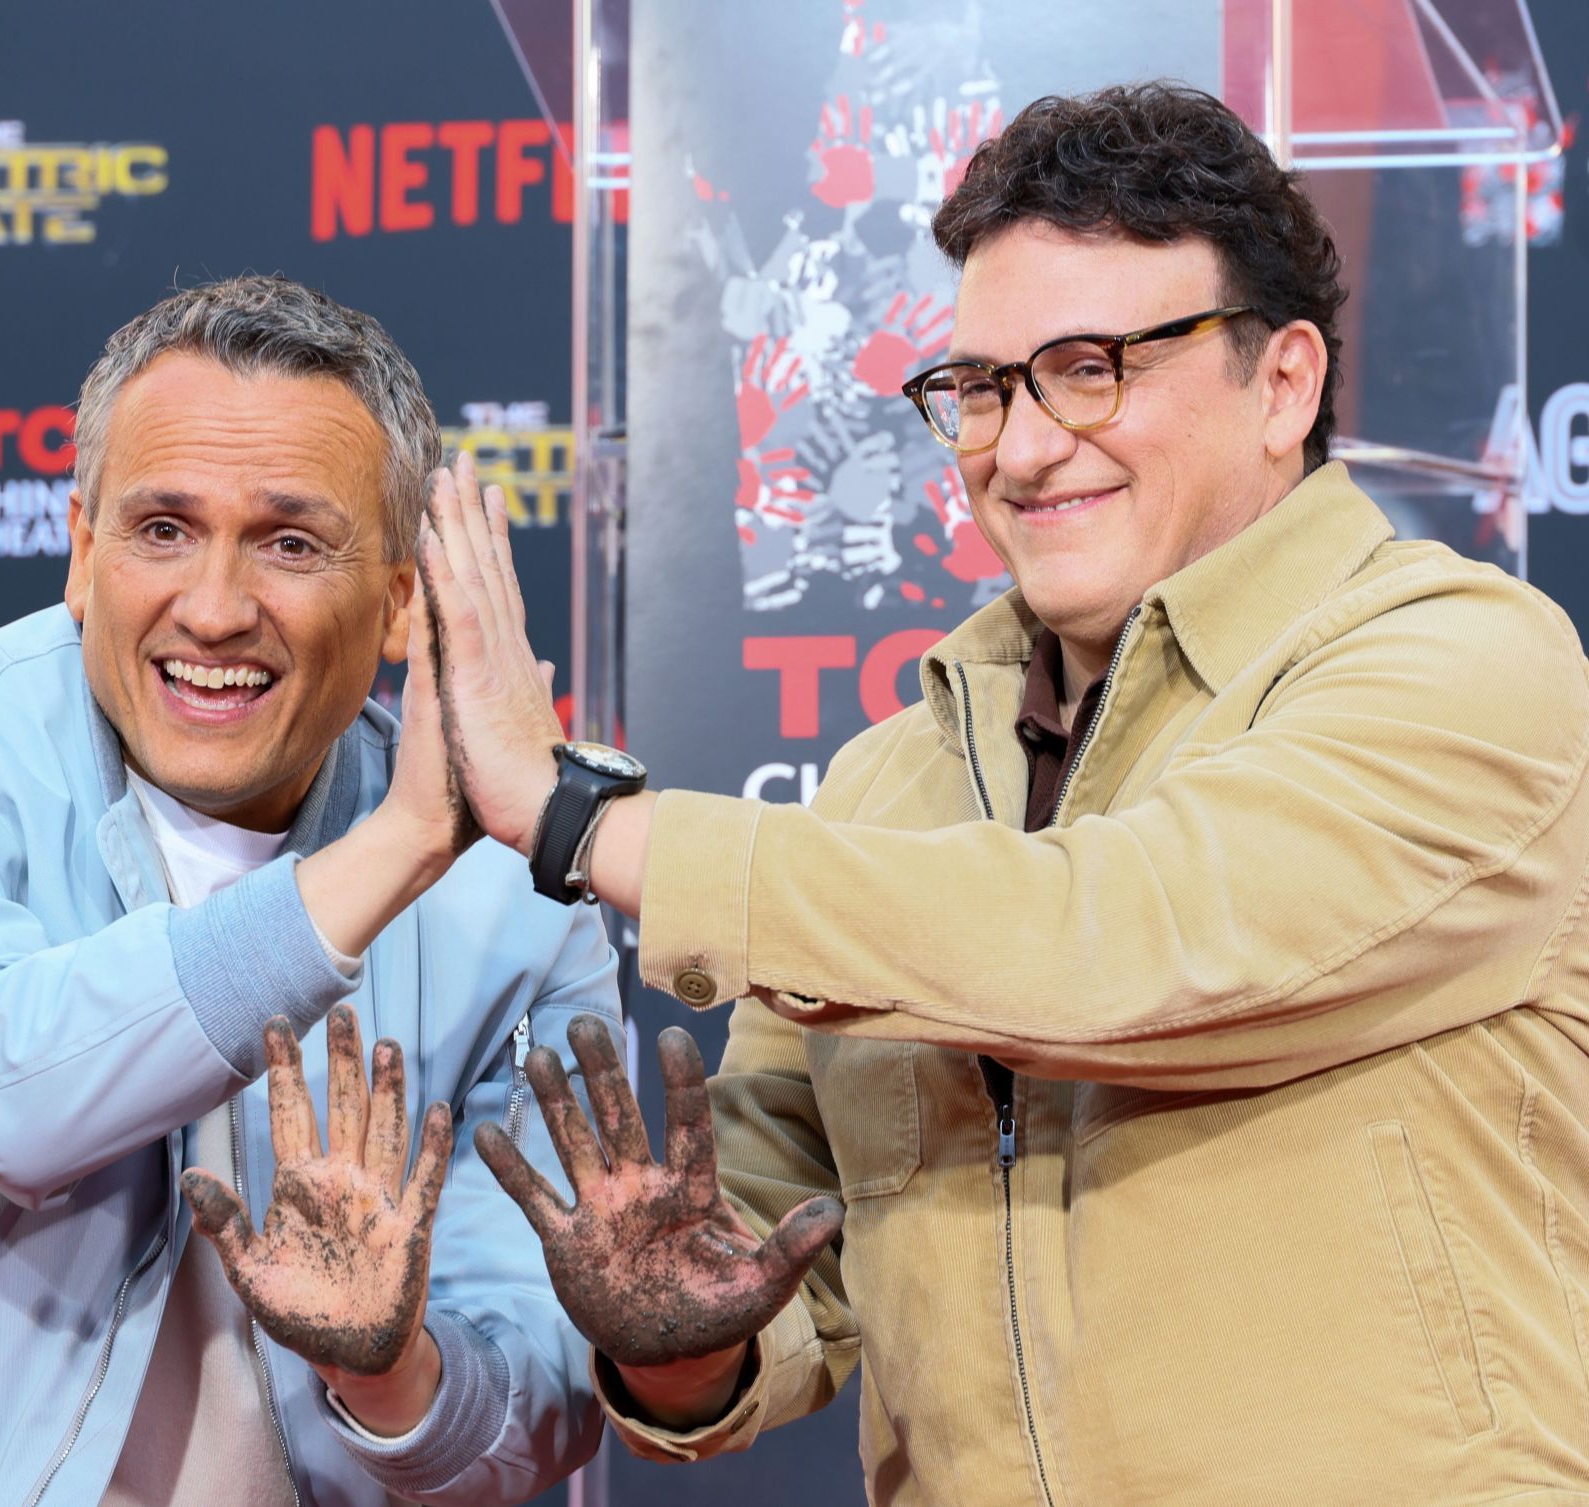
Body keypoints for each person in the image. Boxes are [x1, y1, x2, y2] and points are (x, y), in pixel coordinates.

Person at [416, 85, 1589, 1504]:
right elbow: (781, 1250)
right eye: (980, 386)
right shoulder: (883, 784)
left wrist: (587, 822)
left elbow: (1127, 941)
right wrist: (676, 1342)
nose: (1020, 449)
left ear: (1283, 383)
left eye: (1092, 367)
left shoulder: (1464, 661)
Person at [0, 275, 618, 1505]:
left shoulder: (519, 907)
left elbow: (534, 1413)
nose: (213, 608)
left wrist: (392, 1370)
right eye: (162, 529)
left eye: (291, 544)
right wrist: (403, 844)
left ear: (406, 600)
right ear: (82, 552)